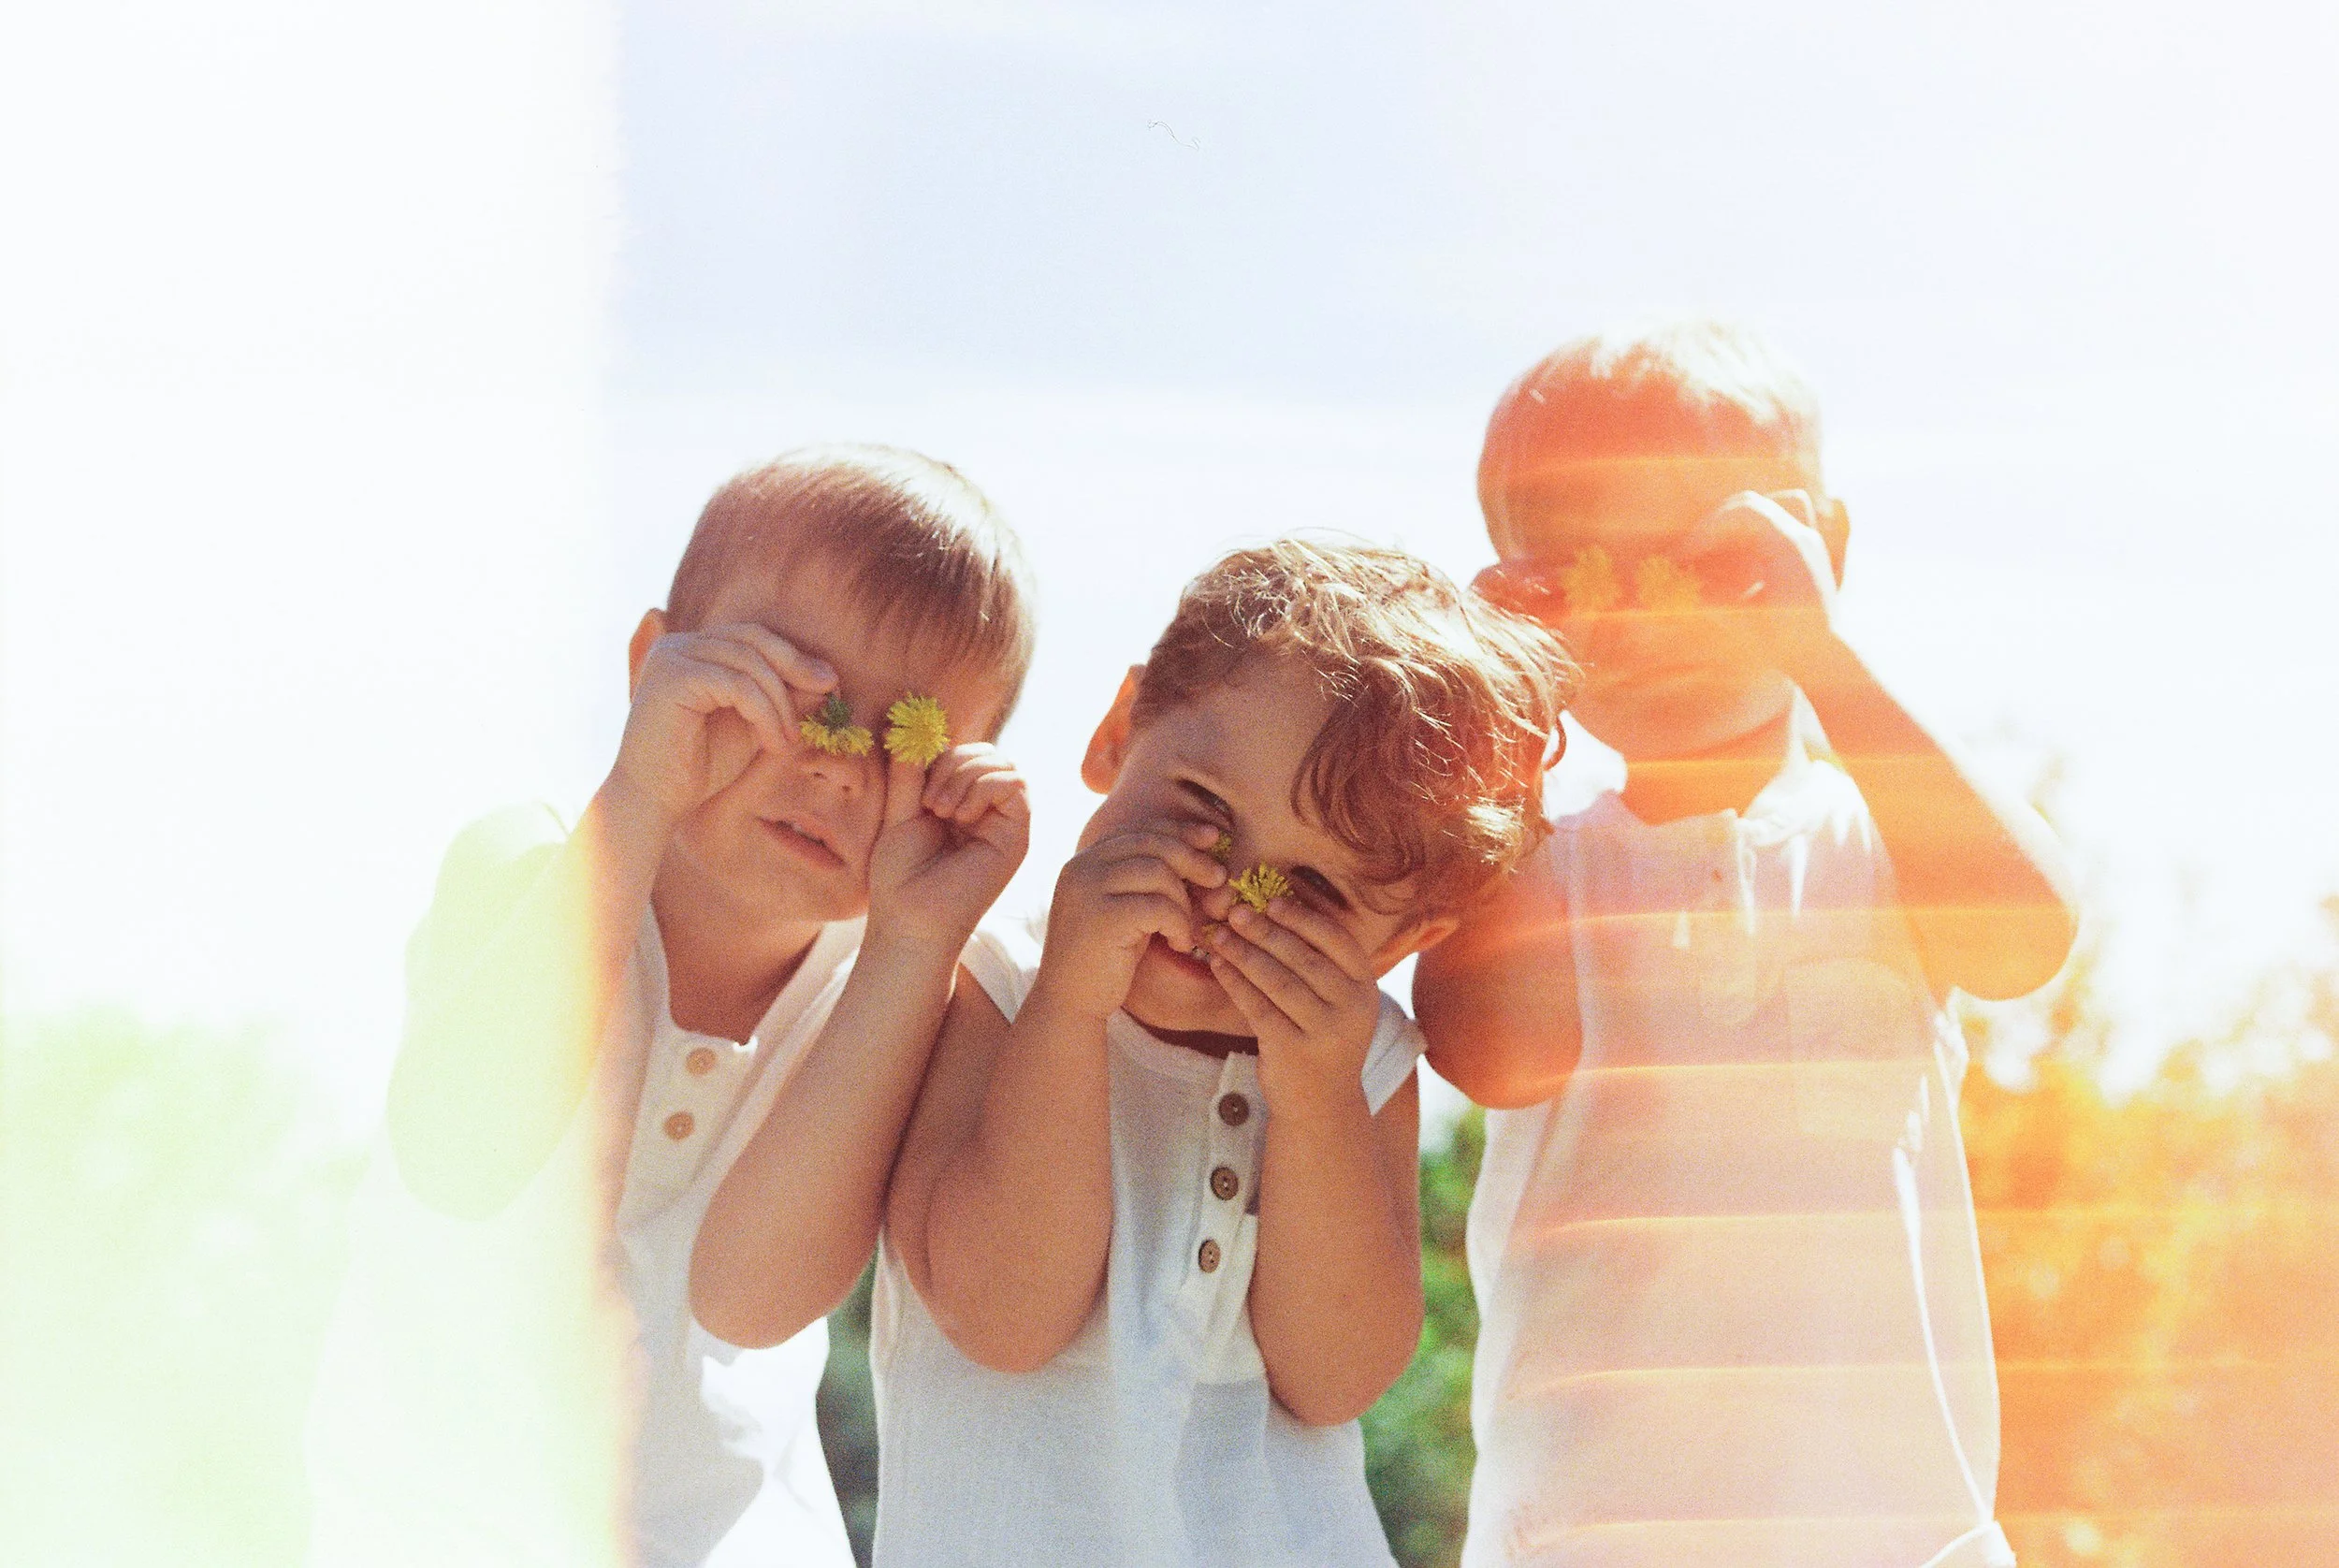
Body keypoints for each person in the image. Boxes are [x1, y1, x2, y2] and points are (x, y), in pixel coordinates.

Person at [1416, 319, 2079, 1568]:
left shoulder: (1885, 841)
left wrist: (1825, 657)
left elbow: (2025, 939)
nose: (1650, 615)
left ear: (1822, 551)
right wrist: (1494, 712)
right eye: (1582, 577)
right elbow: (1492, 1054)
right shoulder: (1534, 867)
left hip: (1892, 1538)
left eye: (1710, 563)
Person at [302, 445, 1038, 1568]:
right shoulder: (531, 863)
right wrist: (640, 789)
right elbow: (461, 1159)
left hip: (734, 1538)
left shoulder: (899, 987)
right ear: (659, 664)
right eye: (801, 694)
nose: (840, 766)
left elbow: (753, 1301)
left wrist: (912, 941)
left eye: (908, 735)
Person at [865, 540, 1571, 1567]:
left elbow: (1335, 1378)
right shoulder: (1000, 984)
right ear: (1118, 732)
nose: (1229, 893)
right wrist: (1069, 1006)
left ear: (1402, 942)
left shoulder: (1362, 1059)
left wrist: (1318, 1097)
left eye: (1311, 894)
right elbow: (999, 1317)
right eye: (1201, 815)